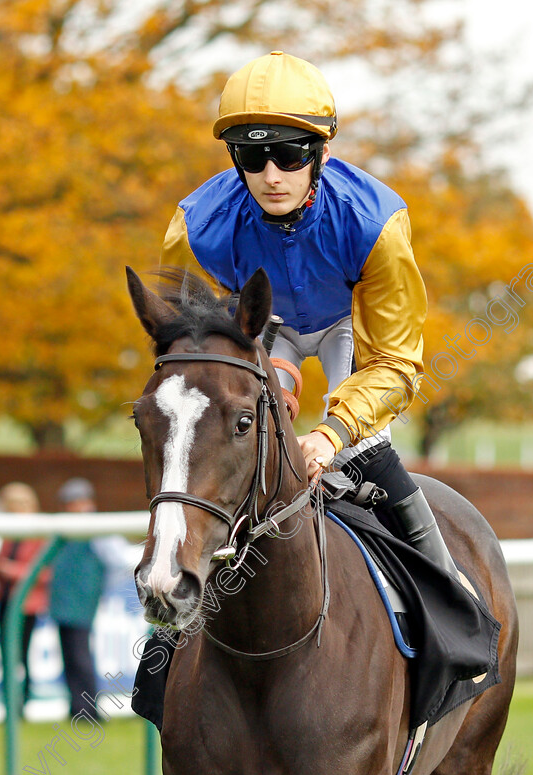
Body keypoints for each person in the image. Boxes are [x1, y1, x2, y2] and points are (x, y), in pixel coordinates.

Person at [159, 50, 457, 578]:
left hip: (352, 325)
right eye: (253, 159)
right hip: (264, 327)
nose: (272, 176)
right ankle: (168, 624)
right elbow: (195, 357)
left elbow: (394, 360)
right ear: (234, 159)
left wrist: (332, 433)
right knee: (227, 431)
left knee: (363, 444)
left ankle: (450, 592)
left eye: (290, 156)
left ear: (321, 151)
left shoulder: (376, 224)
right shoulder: (197, 228)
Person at [49, 478, 131, 718]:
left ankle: (87, 710)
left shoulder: (96, 527)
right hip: (64, 602)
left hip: (80, 601)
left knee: (79, 657)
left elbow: (120, 559)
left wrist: (102, 586)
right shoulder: (68, 525)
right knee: (71, 657)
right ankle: (77, 707)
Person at [0, 482, 49, 712]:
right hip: (5, 600)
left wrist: (12, 570)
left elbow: (44, 572)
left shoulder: (37, 534)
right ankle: (8, 700)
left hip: (27, 605)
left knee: (22, 654)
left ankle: (22, 701)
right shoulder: (10, 534)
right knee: (5, 652)